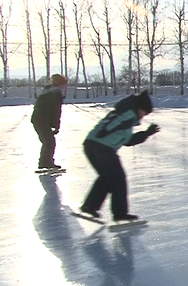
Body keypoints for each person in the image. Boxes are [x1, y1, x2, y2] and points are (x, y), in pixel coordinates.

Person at [80, 90, 160, 222]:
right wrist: (104, 132)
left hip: (93, 145)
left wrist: (146, 134)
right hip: (101, 148)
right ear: (140, 108)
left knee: (107, 178)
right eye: (144, 113)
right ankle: (119, 213)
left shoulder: (125, 114)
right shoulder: (127, 115)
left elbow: (128, 141)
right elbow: (113, 123)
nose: (143, 116)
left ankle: (90, 206)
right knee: (118, 179)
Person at [31, 74, 68, 170]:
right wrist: (56, 125)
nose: (65, 87)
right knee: (49, 141)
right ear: (61, 84)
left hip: (38, 119)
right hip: (41, 120)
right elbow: (56, 111)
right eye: (64, 84)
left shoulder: (47, 91)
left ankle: (46, 162)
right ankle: (45, 163)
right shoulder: (56, 93)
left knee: (48, 141)